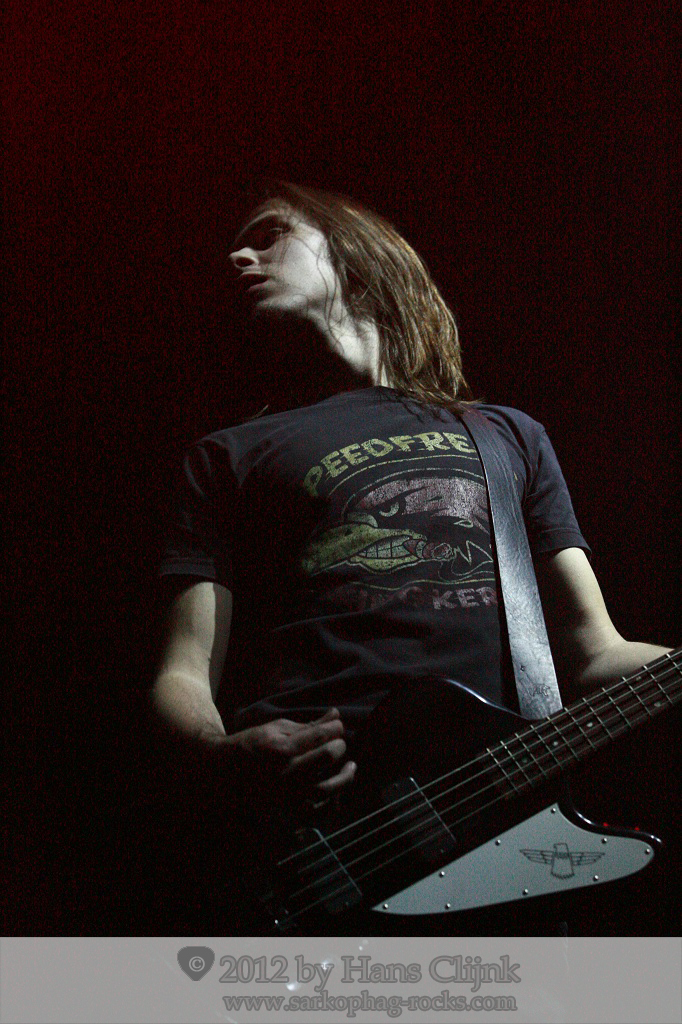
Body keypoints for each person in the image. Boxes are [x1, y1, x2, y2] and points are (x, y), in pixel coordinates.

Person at [151, 183, 671, 934]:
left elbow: (595, 651)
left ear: (358, 260)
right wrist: (223, 754)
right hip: (317, 832)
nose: (239, 256)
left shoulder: (507, 435)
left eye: (269, 235)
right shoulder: (229, 454)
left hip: (500, 843)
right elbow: (182, 670)